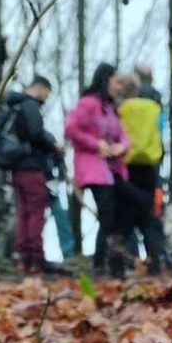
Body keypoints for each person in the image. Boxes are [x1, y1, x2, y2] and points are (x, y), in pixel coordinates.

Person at [65, 64, 131, 275]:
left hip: (114, 170)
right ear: (105, 80)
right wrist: (95, 144)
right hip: (94, 169)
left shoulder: (111, 108)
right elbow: (71, 128)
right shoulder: (88, 104)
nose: (119, 87)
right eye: (117, 82)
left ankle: (115, 263)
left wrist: (121, 147)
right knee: (107, 216)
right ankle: (99, 265)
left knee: (121, 214)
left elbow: (123, 136)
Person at [0, 75, 62, 273]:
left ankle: (24, 258)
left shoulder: (14, 105)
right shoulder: (30, 105)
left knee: (23, 211)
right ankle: (36, 258)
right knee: (35, 211)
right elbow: (36, 134)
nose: (47, 98)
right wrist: (53, 146)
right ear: (40, 87)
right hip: (32, 167)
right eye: (47, 93)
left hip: (17, 167)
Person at [117, 71, 166, 272]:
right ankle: (156, 264)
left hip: (126, 166)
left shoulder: (121, 109)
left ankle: (126, 263)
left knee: (126, 216)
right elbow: (160, 130)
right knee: (149, 218)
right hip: (149, 167)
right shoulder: (153, 108)